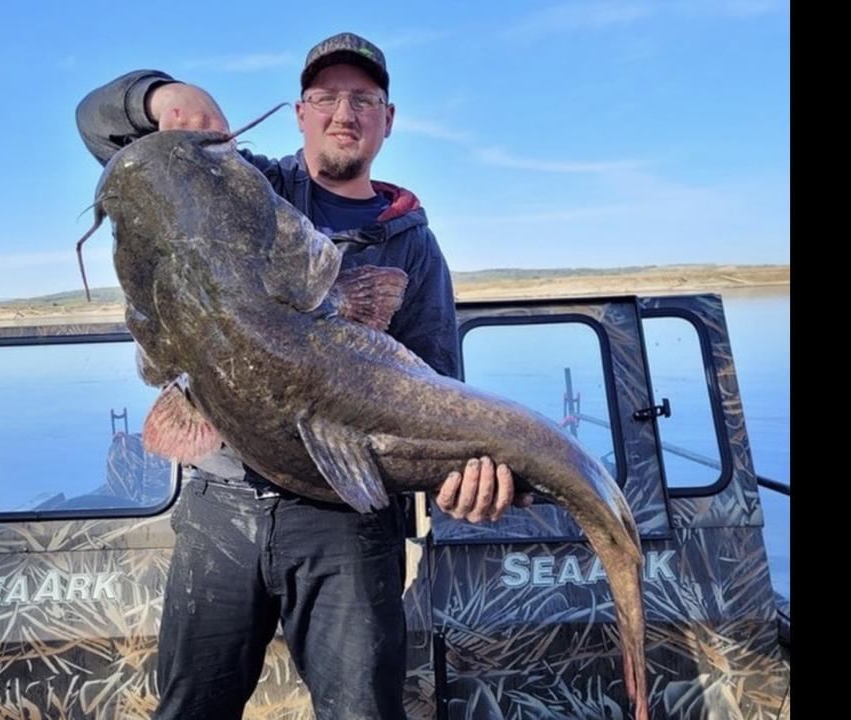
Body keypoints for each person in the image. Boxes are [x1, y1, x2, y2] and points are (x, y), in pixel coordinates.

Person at [76, 31, 532, 720]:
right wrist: (159, 95)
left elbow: (435, 389)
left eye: (363, 99)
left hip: (346, 521)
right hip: (220, 504)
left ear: (387, 119)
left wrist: (464, 476)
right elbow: (107, 135)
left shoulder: (413, 244)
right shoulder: (240, 183)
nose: (343, 112)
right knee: (189, 707)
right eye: (326, 97)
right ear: (299, 112)